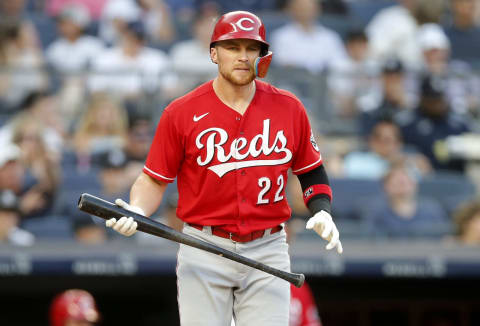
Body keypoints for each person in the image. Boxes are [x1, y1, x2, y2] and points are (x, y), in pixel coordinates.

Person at [105, 11, 342, 326]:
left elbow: (311, 170)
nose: (243, 57)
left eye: (251, 48)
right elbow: (154, 179)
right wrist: (137, 209)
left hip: (268, 246)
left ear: (262, 54)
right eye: (233, 47)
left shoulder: (289, 107)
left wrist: (321, 209)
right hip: (203, 246)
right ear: (214, 53)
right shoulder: (181, 111)